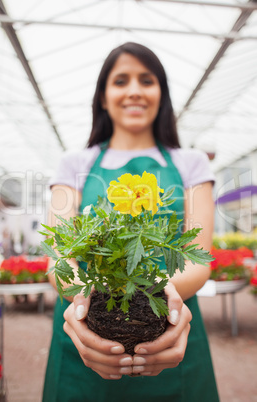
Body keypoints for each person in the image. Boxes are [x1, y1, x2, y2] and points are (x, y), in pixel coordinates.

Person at [42, 42, 219, 402]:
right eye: (121, 81)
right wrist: (85, 302)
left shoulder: (192, 164)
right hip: (84, 332)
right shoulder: (74, 164)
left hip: (173, 321)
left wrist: (162, 299)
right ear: (103, 98)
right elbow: (58, 255)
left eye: (147, 80)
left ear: (161, 95)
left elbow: (199, 258)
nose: (135, 90)